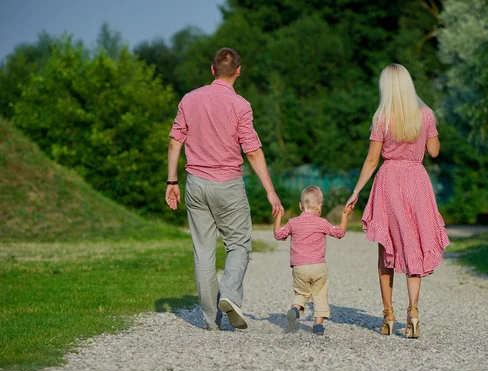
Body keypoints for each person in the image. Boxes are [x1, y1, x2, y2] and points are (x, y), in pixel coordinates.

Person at [165, 48, 284, 331]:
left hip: (195, 183)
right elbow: (252, 151)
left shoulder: (189, 99)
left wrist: (171, 182)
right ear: (239, 71)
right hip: (228, 185)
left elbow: (174, 142)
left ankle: (210, 320)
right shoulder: (241, 105)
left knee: (203, 252)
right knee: (239, 244)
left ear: (212, 70)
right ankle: (229, 295)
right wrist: (270, 190)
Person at [344, 64, 450, 339]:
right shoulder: (425, 115)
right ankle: (413, 312)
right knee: (414, 244)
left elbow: (371, 160)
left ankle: (388, 315)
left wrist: (356, 192)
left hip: (389, 180)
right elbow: (435, 152)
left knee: (387, 249)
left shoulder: (382, 118)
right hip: (417, 180)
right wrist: (430, 131)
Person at [274, 186, 353, 335]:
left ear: (300, 205)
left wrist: (278, 216)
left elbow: (279, 235)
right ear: (320, 206)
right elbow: (339, 232)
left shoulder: (293, 222)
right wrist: (345, 215)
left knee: (301, 294)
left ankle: (295, 311)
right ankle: (317, 326)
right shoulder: (322, 222)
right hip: (318, 267)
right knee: (320, 295)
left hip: (299, 268)